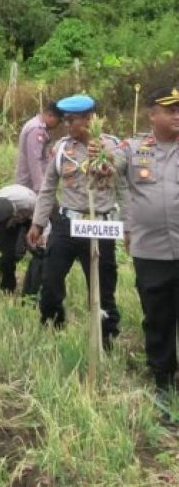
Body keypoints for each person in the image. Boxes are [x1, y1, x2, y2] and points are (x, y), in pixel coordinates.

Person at [29, 94, 122, 348]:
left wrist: (131, 227)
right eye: (65, 120)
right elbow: (48, 188)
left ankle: (106, 338)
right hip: (67, 224)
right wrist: (38, 223)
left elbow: (124, 185)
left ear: (90, 119)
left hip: (100, 225)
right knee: (50, 282)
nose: (66, 125)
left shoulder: (112, 147)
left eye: (71, 120)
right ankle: (53, 326)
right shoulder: (61, 149)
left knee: (103, 289)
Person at [112, 85, 179, 400]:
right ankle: (163, 380)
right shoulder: (133, 148)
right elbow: (107, 164)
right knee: (158, 316)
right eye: (171, 110)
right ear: (152, 115)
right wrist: (99, 163)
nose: (178, 115)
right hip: (151, 251)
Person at [16, 102, 63, 192]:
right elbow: (34, 161)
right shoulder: (36, 129)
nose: (58, 125)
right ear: (50, 116)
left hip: (31, 184)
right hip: (30, 185)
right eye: (58, 121)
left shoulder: (37, 125)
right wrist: (40, 188)